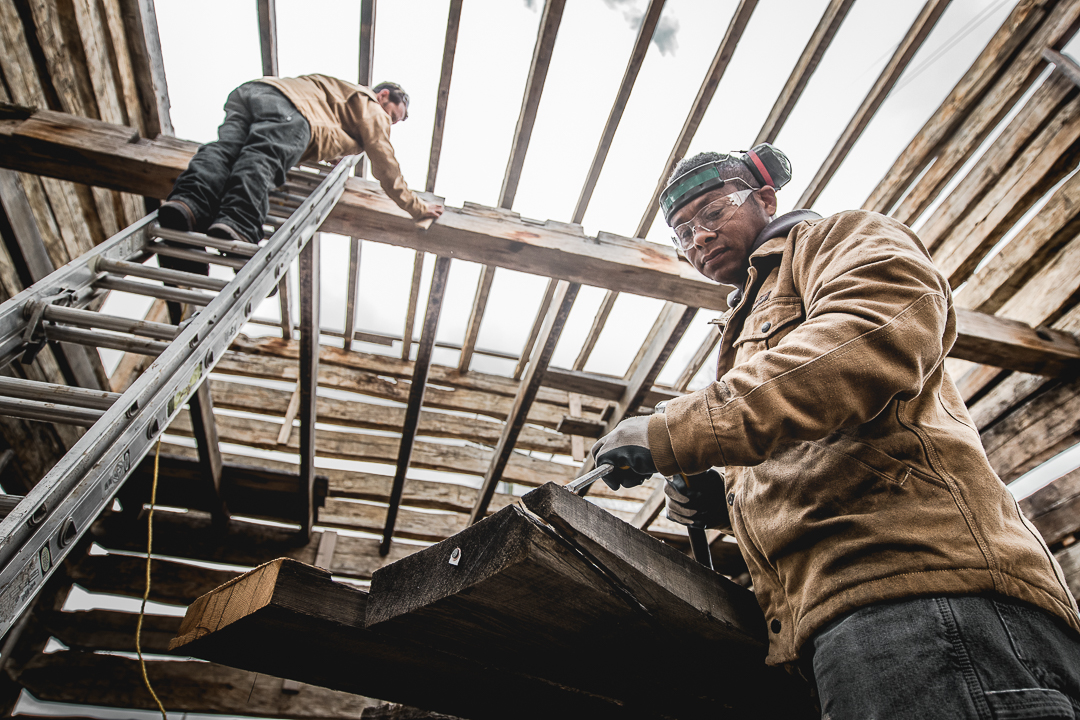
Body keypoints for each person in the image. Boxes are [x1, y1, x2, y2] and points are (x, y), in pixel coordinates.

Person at [590, 143, 1080, 718]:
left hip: (924, 598)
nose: (696, 238)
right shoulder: (746, 319)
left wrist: (675, 429)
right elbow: (817, 451)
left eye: (712, 214)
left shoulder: (841, 239)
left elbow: (866, 344)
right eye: (682, 232)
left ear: (767, 198)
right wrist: (722, 498)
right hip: (845, 619)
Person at [157, 74, 442, 250]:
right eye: (393, 116)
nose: (389, 122)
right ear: (383, 96)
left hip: (254, 92)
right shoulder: (371, 106)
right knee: (263, 158)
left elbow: (331, 125)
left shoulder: (337, 95)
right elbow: (384, 162)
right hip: (293, 111)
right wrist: (417, 208)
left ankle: (188, 204)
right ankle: (239, 223)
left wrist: (335, 151)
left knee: (225, 152)